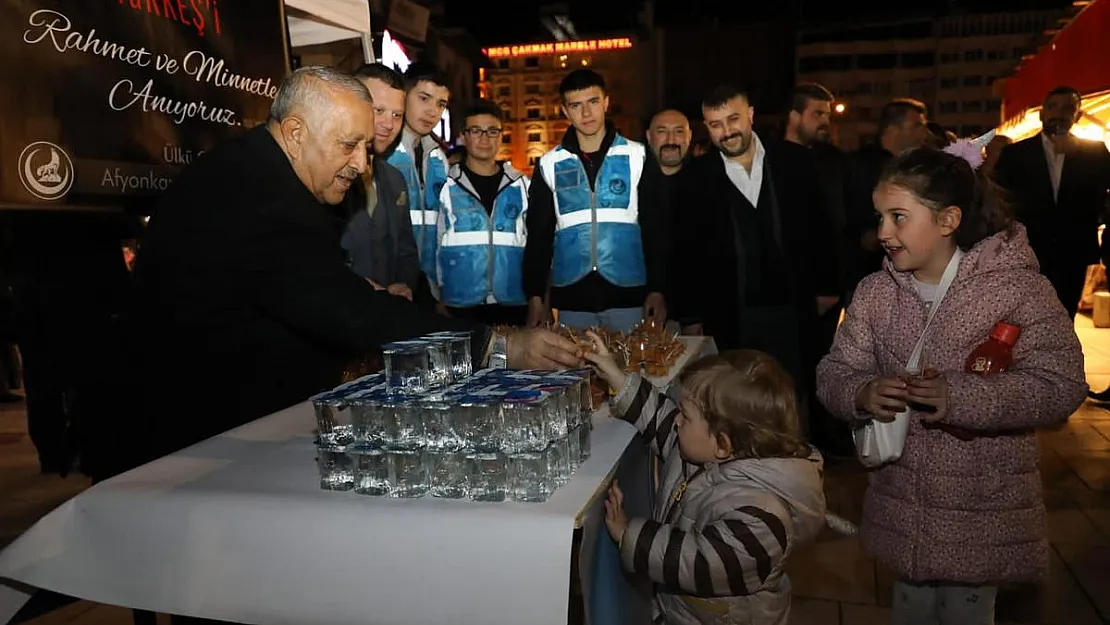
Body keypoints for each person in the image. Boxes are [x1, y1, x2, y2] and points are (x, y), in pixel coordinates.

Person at [117, 67, 581, 481]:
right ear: (296, 133)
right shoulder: (259, 196)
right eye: (348, 145)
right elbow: (344, 311)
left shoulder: (259, 173)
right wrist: (499, 345)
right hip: (195, 449)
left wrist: (350, 288)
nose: (361, 164)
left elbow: (289, 282)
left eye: (365, 146)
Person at [816, 146, 1086, 625]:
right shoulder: (876, 294)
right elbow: (834, 371)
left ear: (948, 220)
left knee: (967, 611)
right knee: (911, 608)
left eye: (899, 217)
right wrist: (861, 392)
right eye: (879, 217)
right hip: (902, 502)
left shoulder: (1016, 289)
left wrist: (962, 397)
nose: (882, 233)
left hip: (979, 505)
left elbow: (1060, 384)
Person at [586, 337, 826, 625]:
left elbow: (696, 562)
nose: (676, 421)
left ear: (723, 443)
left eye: (685, 417)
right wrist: (616, 376)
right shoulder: (704, 449)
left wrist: (628, 534)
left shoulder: (761, 517)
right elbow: (659, 417)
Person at [670, 84, 839, 389]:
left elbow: (821, 224)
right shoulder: (695, 176)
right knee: (739, 397)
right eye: (715, 124)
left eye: (733, 119)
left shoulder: (794, 160)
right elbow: (686, 251)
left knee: (793, 392)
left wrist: (827, 286)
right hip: (731, 311)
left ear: (750, 115)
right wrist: (690, 317)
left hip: (793, 306)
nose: (727, 131)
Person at [523, 68, 669, 332]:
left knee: (630, 371)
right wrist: (535, 296)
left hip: (628, 292)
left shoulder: (638, 156)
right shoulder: (549, 163)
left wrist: (657, 288)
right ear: (565, 112)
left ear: (606, 102)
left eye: (592, 102)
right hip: (572, 296)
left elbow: (656, 229)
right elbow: (538, 236)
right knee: (576, 371)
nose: (586, 113)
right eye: (576, 105)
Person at [993, 85, 1110, 318]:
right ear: (1042, 113)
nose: (1059, 113)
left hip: (1073, 249)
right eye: (1053, 107)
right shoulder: (1016, 153)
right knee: (1025, 316)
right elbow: (999, 198)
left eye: (1068, 108)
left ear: (1077, 115)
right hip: (1027, 250)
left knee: (1065, 315)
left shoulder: (1094, 152)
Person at [436, 100, 531, 326]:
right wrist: (436, 298)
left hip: (512, 303)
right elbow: (434, 245)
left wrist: (539, 299)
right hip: (459, 304)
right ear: (463, 135)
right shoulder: (446, 185)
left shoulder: (521, 185)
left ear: (501, 135)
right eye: (476, 131)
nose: (484, 138)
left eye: (492, 131)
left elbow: (537, 246)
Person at [342, 64, 422, 301]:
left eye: (397, 115)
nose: (389, 124)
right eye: (378, 110)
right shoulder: (324, 174)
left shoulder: (395, 180)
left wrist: (404, 284)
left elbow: (407, 251)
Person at [844, 98, 929, 294]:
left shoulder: (914, 167)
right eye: (917, 126)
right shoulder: (859, 166)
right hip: (866, 276)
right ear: (893, 128)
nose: (924, 133)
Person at [385, 63, 452, 307]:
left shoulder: (437, 159)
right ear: (404, 96)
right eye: (424, 98)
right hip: (390, 285)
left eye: (441, 104)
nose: (432, 111)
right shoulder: (384, 152)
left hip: (429, 289)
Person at [646, 108, 691, 177]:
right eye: (662, 131)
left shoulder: (708, 177)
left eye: (679, 131)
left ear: (689, 136)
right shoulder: (632, 177)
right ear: (649, 136)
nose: (670, 140)